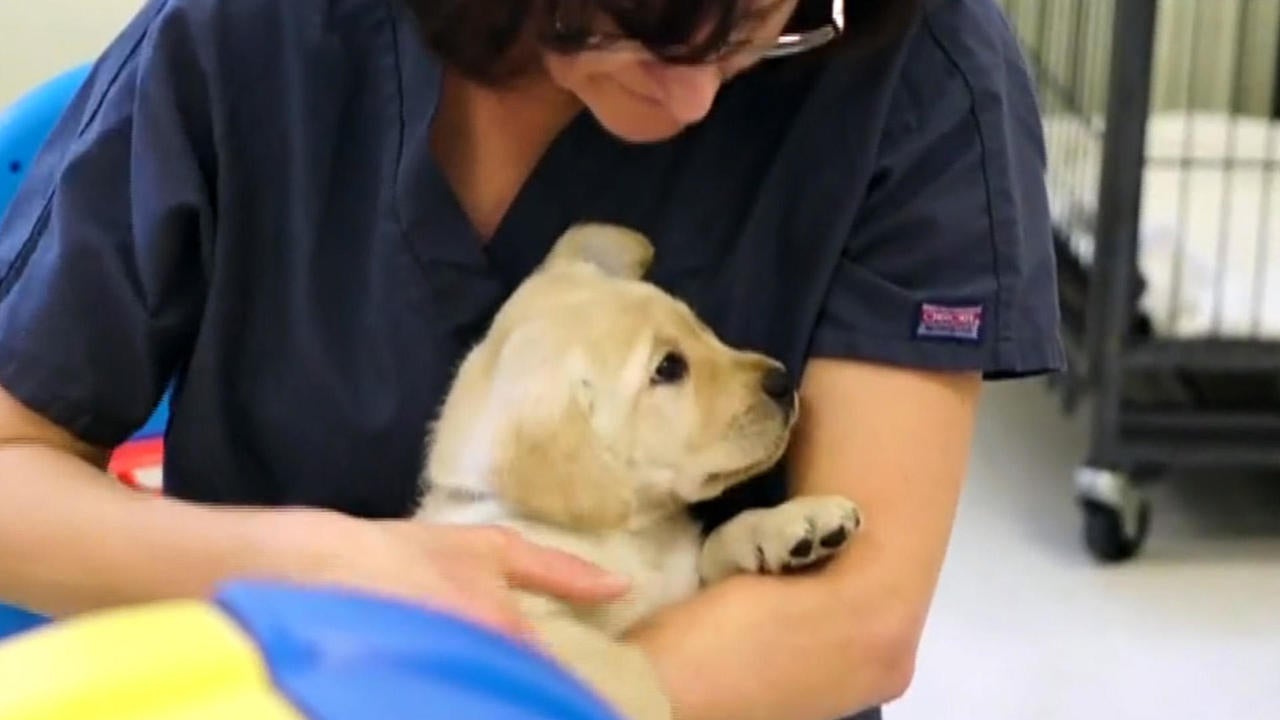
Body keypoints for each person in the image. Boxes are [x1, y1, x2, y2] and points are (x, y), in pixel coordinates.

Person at [0, 0, 1064, 717]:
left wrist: (511, 694)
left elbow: (858, 615)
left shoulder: (915, 68)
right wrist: (328, 573)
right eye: (625, 27)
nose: (695, 102)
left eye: (754, 29)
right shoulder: (251, 38)